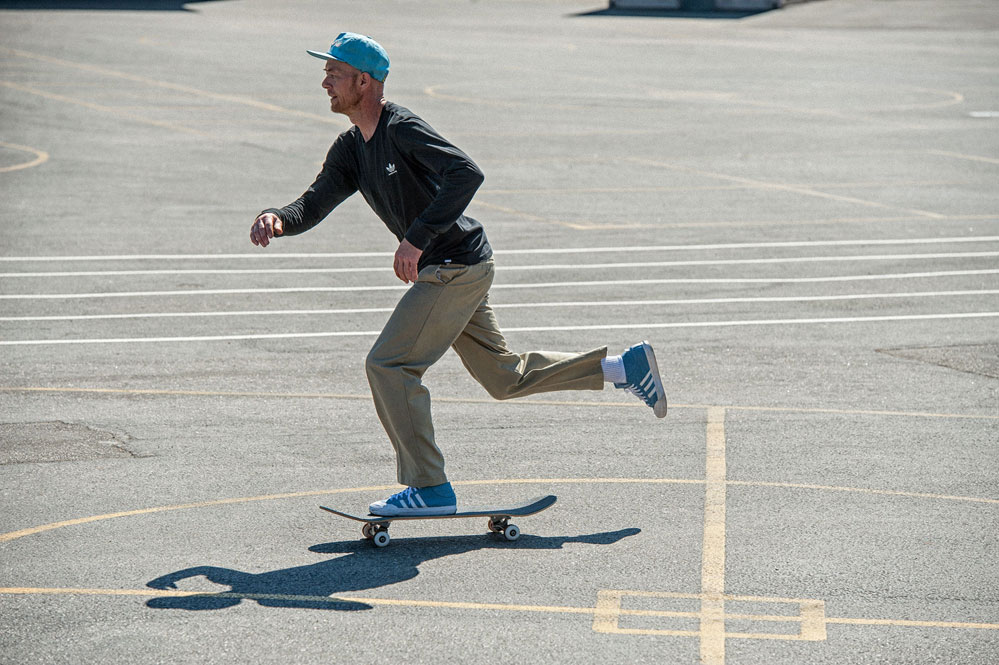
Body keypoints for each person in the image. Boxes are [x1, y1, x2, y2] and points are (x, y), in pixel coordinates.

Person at [250, 33, 667, 517]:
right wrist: (277, 217)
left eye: (334, 72)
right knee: (503, 378)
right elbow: (314, 202)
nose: (324, 81)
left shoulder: (400, 128)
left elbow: (466, 173)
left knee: (389, 365)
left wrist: (416, 237)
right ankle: (623, 367)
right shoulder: (351, 148)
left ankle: (429, 488)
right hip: (460, 265)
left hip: (453, 266)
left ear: (364, 81)